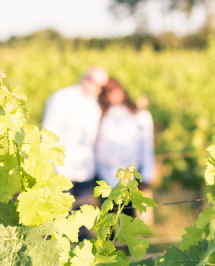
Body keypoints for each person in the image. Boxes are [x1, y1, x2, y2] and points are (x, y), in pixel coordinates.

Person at [41, 67, 109, 200]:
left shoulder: (95, 103)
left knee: (80, 214)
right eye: (94, 82)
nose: (98, 88)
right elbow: (48, 133)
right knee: (60, 214)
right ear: (85, 78)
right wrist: (50, 165)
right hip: (61, 170)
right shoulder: (61, 98)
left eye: (101, 86)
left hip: (85, 170)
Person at [95, 78, 156, 195]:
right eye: (106, 91)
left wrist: (147, 175)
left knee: (127, 211)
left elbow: (147, 146)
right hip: (105, 175)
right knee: (106, 211)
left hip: (130, 174)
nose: (111, 94)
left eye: (114, 89)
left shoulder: (141, 115)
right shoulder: (101, 115)